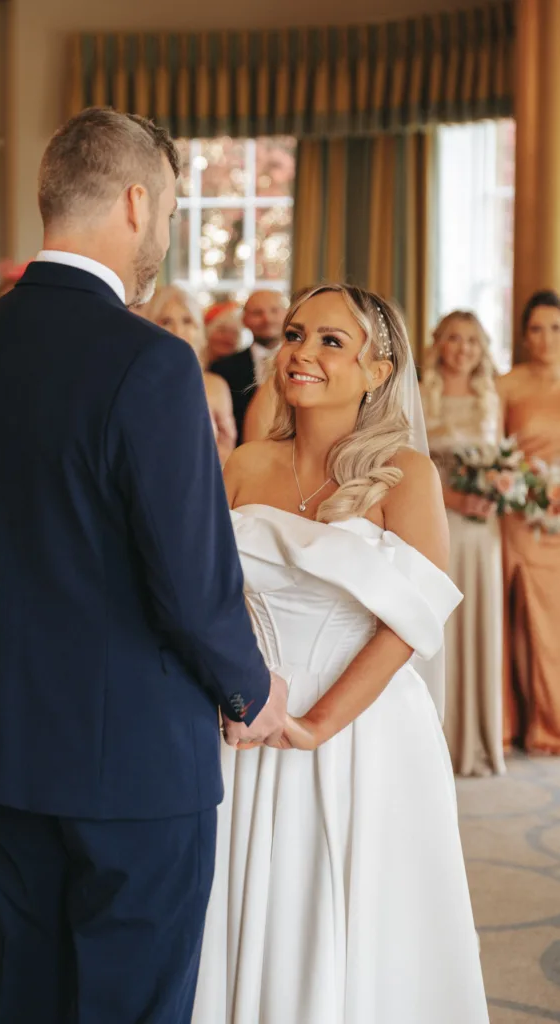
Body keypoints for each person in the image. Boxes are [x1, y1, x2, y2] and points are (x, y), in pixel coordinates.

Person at [0, 107, 287, 1024]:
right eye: (164, 209)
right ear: (133, 200)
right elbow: (191, 579)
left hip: (10, 741)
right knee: (132, 994)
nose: (163, 231)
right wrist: (250, 687)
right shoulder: (151, 363)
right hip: (136, 757)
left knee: (21, 983)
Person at [192, 284, 489, 1024]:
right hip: (246, 718)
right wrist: (239, 695)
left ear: (378, 368)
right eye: (295, 335)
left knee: (343, 906)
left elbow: (412, 621)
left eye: (331, 340)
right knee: (238, 898)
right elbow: (206, 596)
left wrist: (318, 724)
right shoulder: (243, 465)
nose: (301, 353)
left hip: (360, 730)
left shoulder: (404, 475)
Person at [421, 311, 505, 776]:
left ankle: (479, 738)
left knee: (481, 623)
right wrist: (453, 497)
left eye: (472, 340)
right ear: (439, 344)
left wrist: (502, 489)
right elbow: (410, 461)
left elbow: (509, 461)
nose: (463, 348)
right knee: (444, 626)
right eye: (454, 338)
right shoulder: (419, 393)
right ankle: (442, 735)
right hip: (439, 522)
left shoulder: (493, 396)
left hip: (483, 532)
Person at [498, 289, 560, 754]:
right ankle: (536, 721)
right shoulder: (507, 385)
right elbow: (494, 454)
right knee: (531, 621)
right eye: (536, 329)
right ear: (523, 336)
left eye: (555, 328)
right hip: (523, 514)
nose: (545, 338)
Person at [146, 286, 237, 465]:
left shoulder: (215, 385)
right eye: (166, 321)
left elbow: (226, 449)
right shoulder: (138, 384)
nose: (178, 330)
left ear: (199, 329)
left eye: (187, 321)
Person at [210, 289, 287, 442]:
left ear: (287, 314)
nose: (267, 319)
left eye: (274, 311)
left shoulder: (304, 362)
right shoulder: (222, 369)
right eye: (257, 313)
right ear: (244, 320)